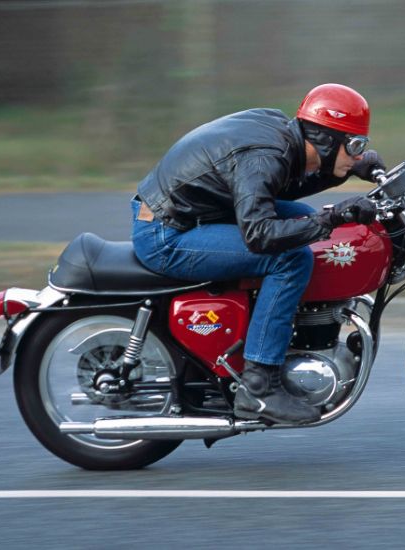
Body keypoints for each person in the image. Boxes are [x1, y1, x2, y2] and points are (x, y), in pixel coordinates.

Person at [131, 83, 384, 424]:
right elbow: (260, 235)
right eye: (353, 145)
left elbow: (279, 185)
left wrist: (348, 170)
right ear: (325, 139)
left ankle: (291, 328)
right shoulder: (266, 155)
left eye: (361, 146)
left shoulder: (283, 138)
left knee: (301, 218)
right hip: (168, 232)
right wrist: (333, 216)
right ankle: (258, 387)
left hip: (204, 212)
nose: (358, 153)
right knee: (291, 258)